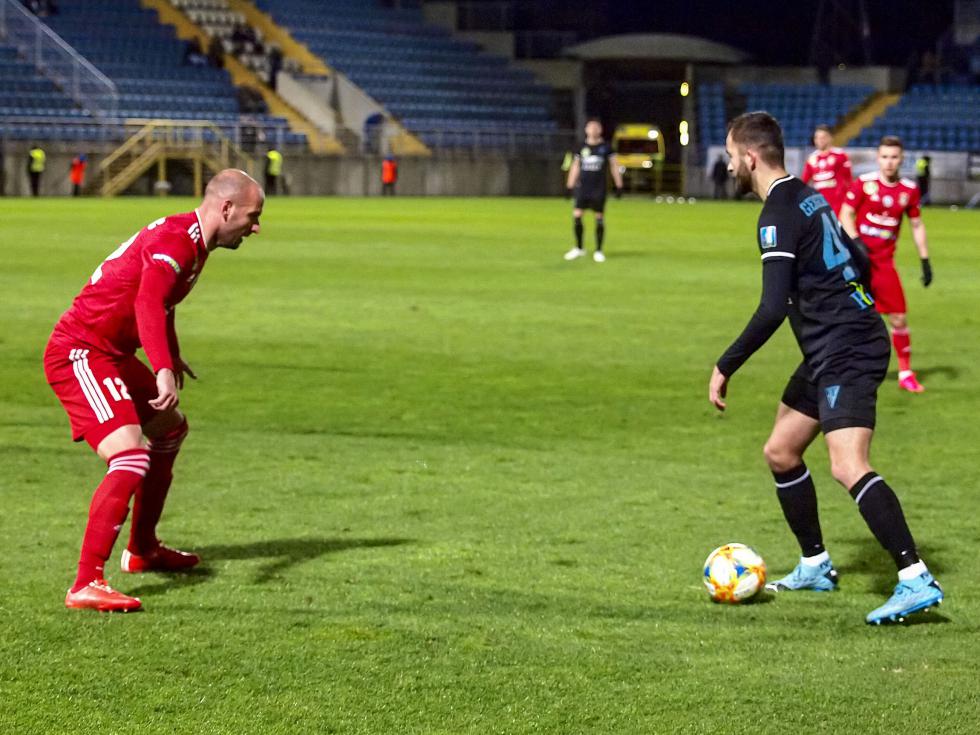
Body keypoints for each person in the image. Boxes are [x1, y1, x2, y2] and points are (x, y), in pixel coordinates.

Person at [708, 112, 943, 625]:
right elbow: (859, 256)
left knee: (847, 464)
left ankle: (915, 577)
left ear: (751, 157)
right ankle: (815, 565)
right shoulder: (809, 195)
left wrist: (726, 364)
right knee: (781, 451)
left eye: (730, 156)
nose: (728, 166)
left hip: (847, 348)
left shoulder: (776, 215)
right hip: (831, 345)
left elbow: (772, 307)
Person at [44, 169, 264, 612]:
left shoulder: (193, 241)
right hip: (81, 352)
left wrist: (172, 354)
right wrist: (161, 369)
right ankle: (85, 583)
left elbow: (161, 302)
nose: (256, 227)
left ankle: (142, 549)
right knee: (129, 455)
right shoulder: (177, 243)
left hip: (113, 353)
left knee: (169, 430)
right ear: (226, 208)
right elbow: (147, 301)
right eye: (252, 216)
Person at [839, 136, 932, 393]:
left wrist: (925, 260)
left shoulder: (908, 190)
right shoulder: (864, 183)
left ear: (901, 159)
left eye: (894, 157)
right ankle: (845, 370)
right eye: (884, 157)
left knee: (899, 317)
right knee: (850, 318)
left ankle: (905, 373)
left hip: (883, 265)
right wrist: (856, 242)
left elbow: (916, 224)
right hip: (857, 264)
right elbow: (845, 212)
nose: (889, 162)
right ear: (878, 158)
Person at [563, 118, 624, 263]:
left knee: (599, 217)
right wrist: (569, 186)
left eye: (596, 127)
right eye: (590, 127)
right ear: (586, 130)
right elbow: (575, 167)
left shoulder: (606, 148)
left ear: (600, 130)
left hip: (598, 188)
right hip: (583, 188)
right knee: (577, 215)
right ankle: (579, 248)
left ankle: (598, 250)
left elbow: (614, 166)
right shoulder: (581, 147)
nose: (593, 130)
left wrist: (619, 185)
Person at [800, 124, 852, 215]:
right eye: (817, 138)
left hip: (838, 203)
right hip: (819, 203)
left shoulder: (840, 155)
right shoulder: (812, 158)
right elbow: (804, 181)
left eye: (823, 137)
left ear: (830, 138)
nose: (819, 140)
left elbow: (848, 180)